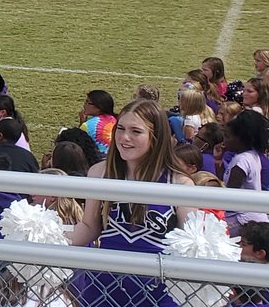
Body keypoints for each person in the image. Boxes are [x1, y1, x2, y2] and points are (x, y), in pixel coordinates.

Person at [69, 99, 197, 306]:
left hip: (157, 291)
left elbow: (192, 246)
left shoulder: (179, 183)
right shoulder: (100, 173)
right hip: (103, 286)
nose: (124, 138)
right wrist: (46, 238)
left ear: (155, 137)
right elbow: (89, 227)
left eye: (136, 131)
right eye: (120, 128)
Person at [220, 110, 269, 236]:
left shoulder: (240, 162)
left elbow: (230, 195)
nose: (224, 140)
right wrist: (217, 160)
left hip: (243, 219)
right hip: (254, 214)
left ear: (241, 138)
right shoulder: (253, 156)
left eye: (227, 137)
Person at [78, 90, 116, 156]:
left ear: (98, 107)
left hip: (96, 161)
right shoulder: (115, 119)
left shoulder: (87, 126)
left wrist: (82, 123)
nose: (84, 105)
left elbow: (77, 143)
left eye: (87, 102)